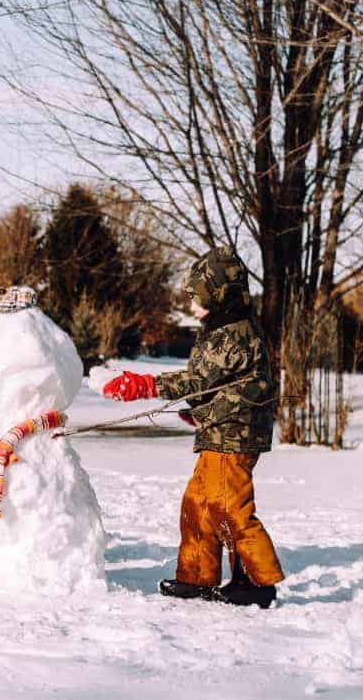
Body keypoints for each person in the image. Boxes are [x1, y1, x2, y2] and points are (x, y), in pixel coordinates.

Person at [103, 248, 285, 608]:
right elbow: (222, 384)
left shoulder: (234, 333)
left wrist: (144, 385)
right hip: (220, 430)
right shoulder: (220, 329)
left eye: (197, 298)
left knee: (229, 509)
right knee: (199, 504)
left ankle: (257, 583)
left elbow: (199, 379)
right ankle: (197, 577)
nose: (192, 306)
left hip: (234, 436)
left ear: (220, 296)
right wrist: (202, 411)